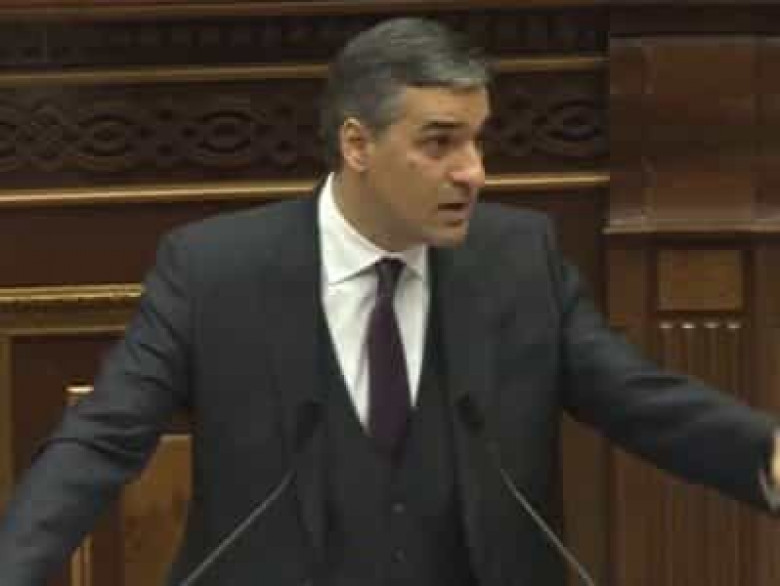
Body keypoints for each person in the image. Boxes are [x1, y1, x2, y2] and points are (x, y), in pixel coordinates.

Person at [0, 17, 778, 586]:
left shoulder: (517, 260)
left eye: (477, 139)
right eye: (440, 143)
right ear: (357, 145)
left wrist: (766, 453)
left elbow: (636, 397)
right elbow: (102, 438)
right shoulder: (214, 272)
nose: (473, 171)